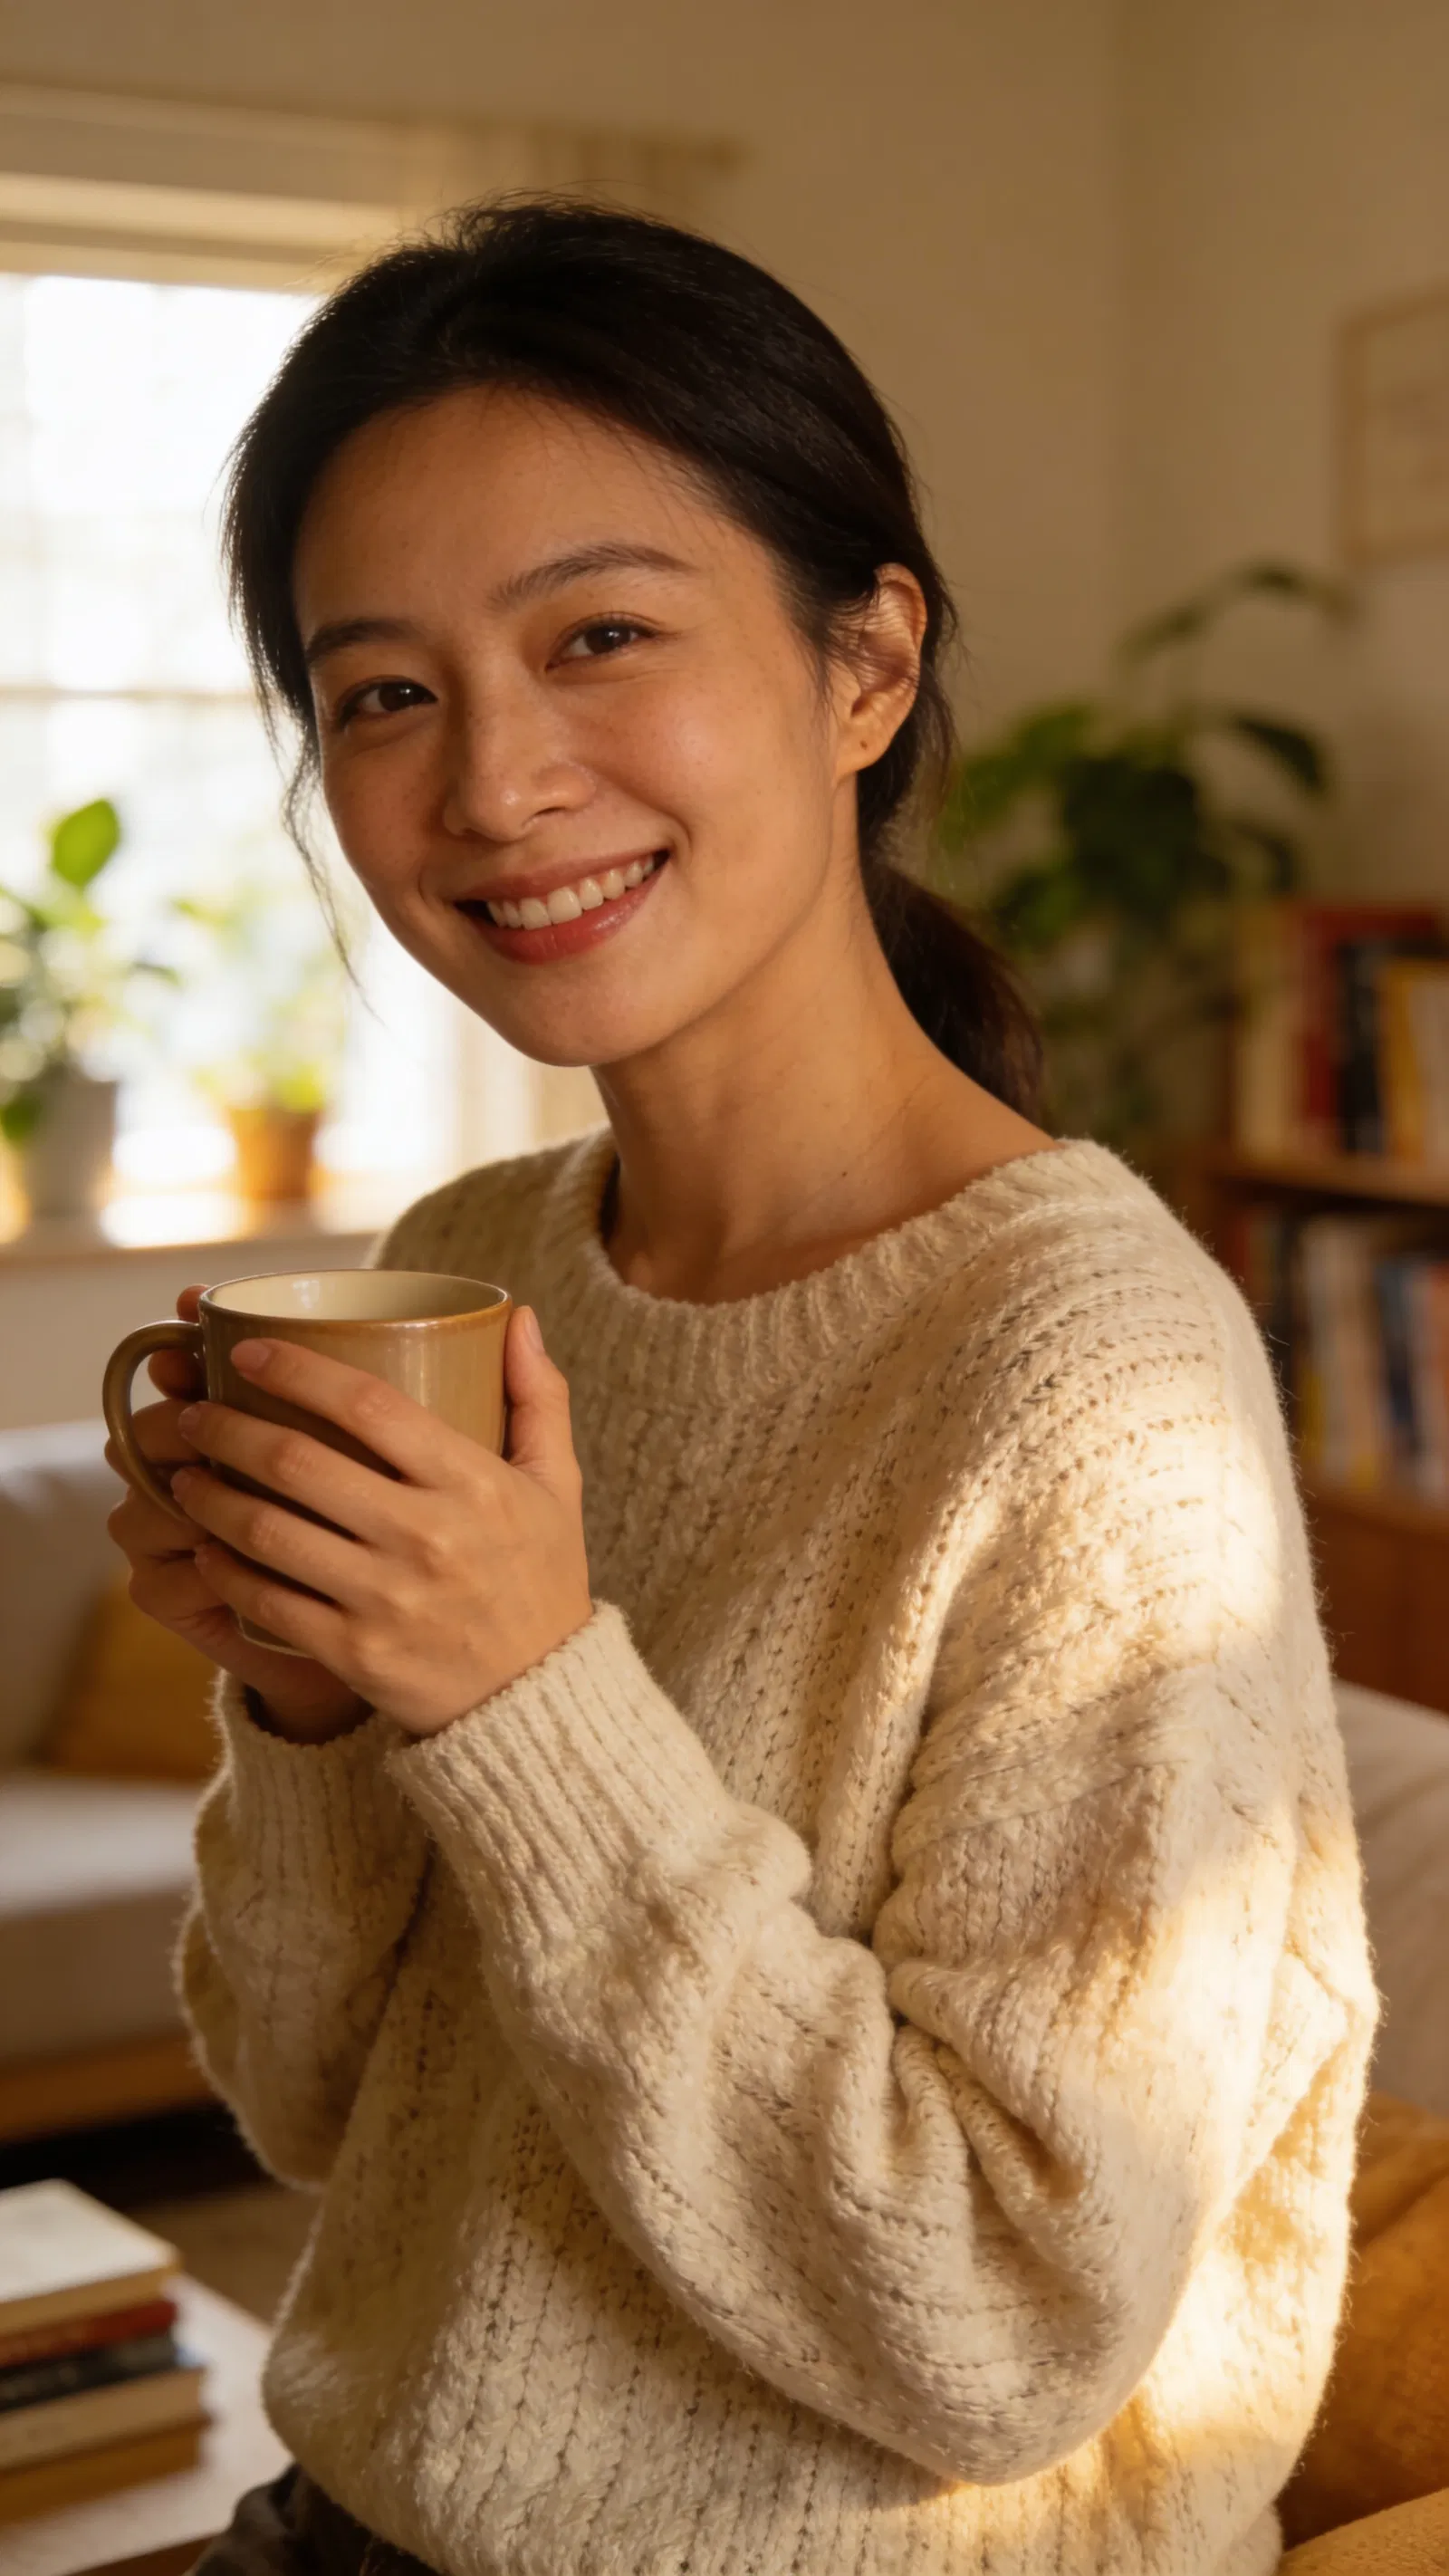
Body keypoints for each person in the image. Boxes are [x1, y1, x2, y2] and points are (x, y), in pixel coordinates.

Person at [106, 200, 1375, 2576]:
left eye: (601, 635)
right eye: (382, 691)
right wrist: (303, 1704)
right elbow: (311, 2105)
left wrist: (515, 1691)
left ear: (865, 661)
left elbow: (1003, 2326)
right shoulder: (467, 1274)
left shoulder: (1090, 1373)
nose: (490, 784)